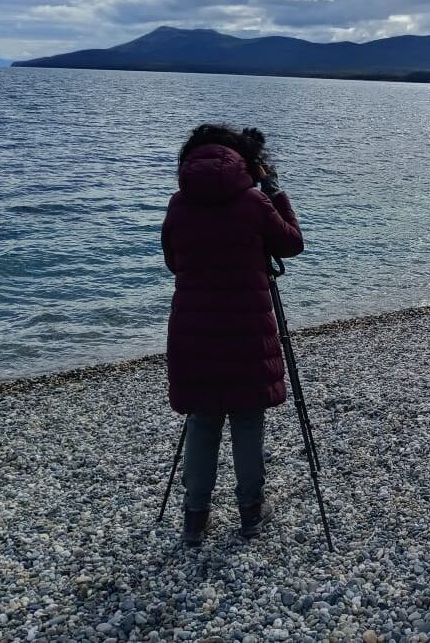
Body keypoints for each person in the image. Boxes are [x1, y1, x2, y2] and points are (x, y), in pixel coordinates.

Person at [161, 124, 304, 547]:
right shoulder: (255, 202)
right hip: (247, 329)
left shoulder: (179, 204)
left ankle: (194, 520)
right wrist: (274, 189)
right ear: (244, 160)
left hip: (193, 330)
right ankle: (250, 514)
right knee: (247, 418)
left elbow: (173, 262)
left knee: (202, 419)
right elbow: (292, 244)